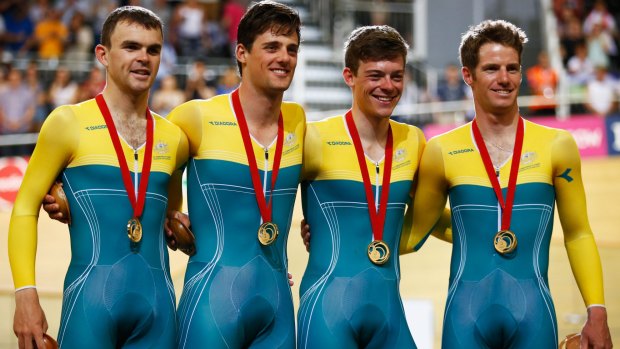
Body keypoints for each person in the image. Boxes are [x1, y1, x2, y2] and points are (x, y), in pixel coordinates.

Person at [406, 19, 612, 348]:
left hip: (534, 317)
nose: (504, 79)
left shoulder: (557, 145)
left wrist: (597, 310)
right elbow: (418, 229)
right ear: (468, 75)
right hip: (465, 319)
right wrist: (341, 232)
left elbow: (578, 233)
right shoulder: (441, 150)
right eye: (491, 68)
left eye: (512, 68)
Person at [8, 6, 188, 348]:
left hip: (159, 311)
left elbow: (169, 220)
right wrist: (25, 294)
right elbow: (24, 208)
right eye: (131, 47)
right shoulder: (67, 124)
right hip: (90, 306)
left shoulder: (174, 138)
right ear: (102, 54)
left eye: (153, 49)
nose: (143, 58)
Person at [166, 1, 304, 347]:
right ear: (241, 52)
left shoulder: (300, 123)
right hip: (211, 306)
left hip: (277, 307)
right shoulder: (194, 117)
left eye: (291, 49)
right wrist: (169, 214)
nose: (284, 57)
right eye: (271, 47)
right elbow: (137, 167)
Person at [297, 25, 444, 349]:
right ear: (349, 76)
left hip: (388, 313)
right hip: (326, 310)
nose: (388, 86)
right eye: (376, 75)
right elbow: (264, 192)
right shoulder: (315, 137)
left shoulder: (413, 140)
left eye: (396, 75)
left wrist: (488, 226)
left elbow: (433, 216)